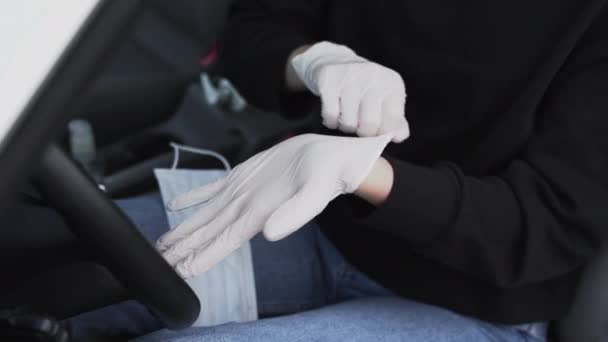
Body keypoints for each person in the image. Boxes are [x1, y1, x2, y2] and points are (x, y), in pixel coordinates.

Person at [71, 0, 608, 341]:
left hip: (475, 302)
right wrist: (314, 60)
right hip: (315, 227)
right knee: (53, 270)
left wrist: (362, 174)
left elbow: (543, 226)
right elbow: (254, 29)